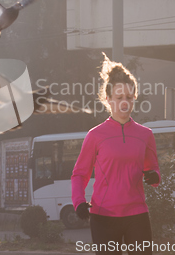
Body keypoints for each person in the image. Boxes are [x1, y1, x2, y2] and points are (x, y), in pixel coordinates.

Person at [71, 53, 160, 255]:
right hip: (104, 217)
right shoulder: (95, 135)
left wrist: (154, 176)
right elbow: (79, 174)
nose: (124, 102)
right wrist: (78, 202)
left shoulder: (145, 135)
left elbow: (153, 171)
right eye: (119, 98)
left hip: (137, 214)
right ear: (108, 99)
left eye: (129, 98)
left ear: (134, 98)